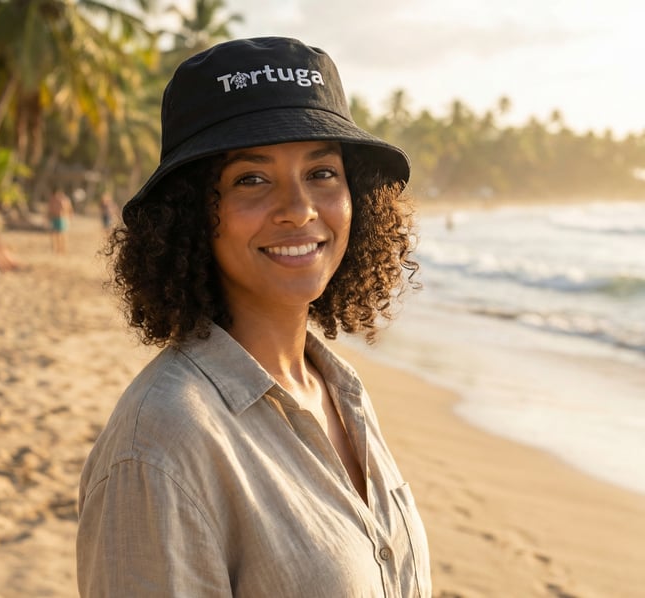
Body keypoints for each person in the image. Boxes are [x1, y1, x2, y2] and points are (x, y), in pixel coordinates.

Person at [77, 37, 431, 597]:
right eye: (252, 179)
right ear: (192, 212)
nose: (299, 208)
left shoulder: (341, 390)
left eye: (322, 173)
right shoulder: (160, 445)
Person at [48, 188, 73, 253]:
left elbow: (68, 209)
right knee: (55, 234)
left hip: (61, 218)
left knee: (61, 234)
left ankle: (62, 249)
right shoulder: (54, 200)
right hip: (56, 218)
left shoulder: (64, 200)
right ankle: (57, 249)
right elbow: (50, 210)